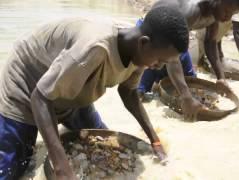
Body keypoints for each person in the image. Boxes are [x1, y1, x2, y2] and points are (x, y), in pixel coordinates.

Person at [0, 7, 190, 179]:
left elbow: (130, 94)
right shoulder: (94, 49)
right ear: (144, 43)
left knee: (103, 145)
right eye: (160, 61)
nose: (158, 68)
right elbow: (39, 98)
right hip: (26, 86)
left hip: (72, 88)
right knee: (11, 171)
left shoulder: (140, 53)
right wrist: (61, 167)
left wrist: (155, 141)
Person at [150, 0, 239, 87]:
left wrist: (221, 78)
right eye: (226, 11)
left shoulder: (214, 12)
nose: (228, 18)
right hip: (152, 39)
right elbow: (171, 55)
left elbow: (210, 43)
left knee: (190, 80)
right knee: (145, 88)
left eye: (232, 14)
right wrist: (186, 96)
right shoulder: (192, 11)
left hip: (174, 44)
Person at [135, 17, 196, 99]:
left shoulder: (182, 55)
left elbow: (192, 83)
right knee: (139, 93)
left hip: (172, 73)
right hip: (152, 62)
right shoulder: (149, 59)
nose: (158, 65)